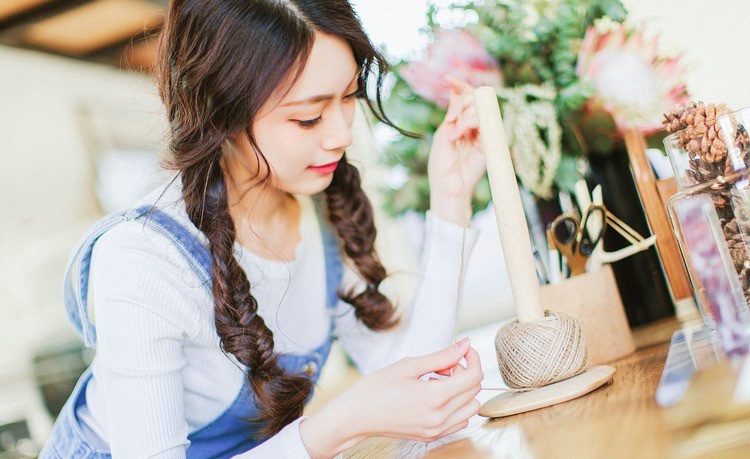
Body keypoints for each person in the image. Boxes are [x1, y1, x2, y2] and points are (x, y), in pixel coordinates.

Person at [40, 0, 488, 458]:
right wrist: (339, 423)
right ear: (222, 112)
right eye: (308, 117)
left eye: (349, 97)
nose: (342, 135)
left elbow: (412, 381)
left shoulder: (321, 213)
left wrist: (451, 197)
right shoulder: (142, 258)